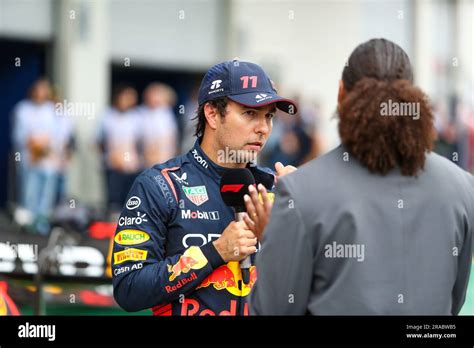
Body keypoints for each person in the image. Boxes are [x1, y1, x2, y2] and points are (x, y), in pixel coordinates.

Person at [247, 38, 474, 315]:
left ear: (341, 93)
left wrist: (275, 240)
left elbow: (273, 310)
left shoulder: (300, 192)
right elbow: (454, 300)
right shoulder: (463, 187)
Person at [112, 59, 297, 315]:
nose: (263, 128)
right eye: (249, 113)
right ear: (212, 114)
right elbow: (129, 289)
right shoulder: (161, 185)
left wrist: (304, 215)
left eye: (269, 117)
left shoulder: (279, 188)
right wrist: (215, 252)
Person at [11, 78, 60, 234]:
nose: (41, 93)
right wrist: (35, 144)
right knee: (29, 195)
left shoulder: (52, 110)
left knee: (46, 196)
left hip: (48, 161)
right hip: (29, 160)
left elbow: (58, 135)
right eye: (39, 89)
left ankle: (42, 226)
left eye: (45, 90)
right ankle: (27, 228)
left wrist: (45, 145)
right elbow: (19, 136)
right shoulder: (22, 109)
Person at [97, 84, 143, 218]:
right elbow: (99, 141)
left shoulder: (137, 117)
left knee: (130, 198)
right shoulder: (107, 116)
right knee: (114, 200)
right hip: (113, 166)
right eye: (127, 97)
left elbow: (141, 142)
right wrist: (110, 157)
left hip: (132, 166)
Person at [139, 83, 179, 167]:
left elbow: (171, 138)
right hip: (145, 161)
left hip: (164, 160)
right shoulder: (141, 113)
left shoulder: (166, 113)